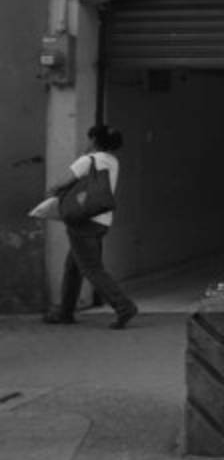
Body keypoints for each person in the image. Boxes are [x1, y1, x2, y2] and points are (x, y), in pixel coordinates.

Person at [43, 124, 138, 329]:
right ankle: (65, 312)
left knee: (92, 269)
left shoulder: (88, 160)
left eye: (90, 139)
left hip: (84, 221)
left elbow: (61, 183)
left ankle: (124, 306)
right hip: (102, 221)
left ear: (94, 140)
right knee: (73, 267)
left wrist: (52, 193)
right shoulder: (112, 161)